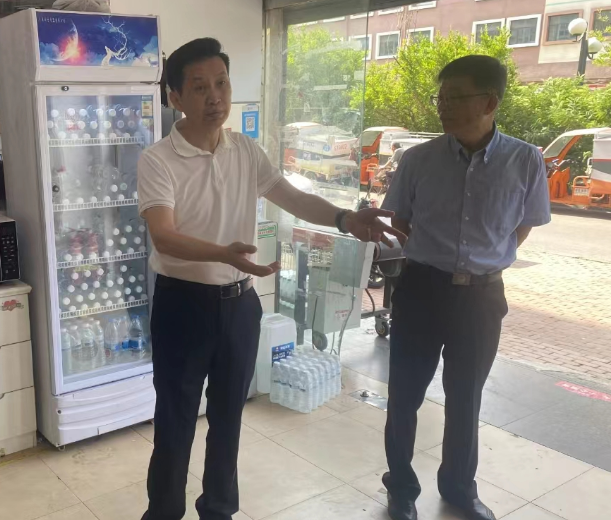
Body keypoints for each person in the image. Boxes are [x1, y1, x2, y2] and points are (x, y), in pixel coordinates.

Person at [137, 38, 405, 520]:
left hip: (240, 305)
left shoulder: (244, 149)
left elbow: (292, 197)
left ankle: (219, 510)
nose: (215, 96)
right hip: (183, 305)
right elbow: (164, 236)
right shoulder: (158, 159)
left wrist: (345, 218)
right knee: (175, 421)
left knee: (228, 419)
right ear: (174, 97)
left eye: (221, 83)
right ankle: (163, 514)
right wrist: (222, 253)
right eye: (199, 87)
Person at [381, 55, 551, 520]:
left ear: (490, 102)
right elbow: (399, 220)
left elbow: (524, 225)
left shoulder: (525, 160)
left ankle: (459, 488)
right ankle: (401, 487)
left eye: (455, 97)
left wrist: (483, 261)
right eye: (441, 97)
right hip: (422, 290)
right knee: (404, 395)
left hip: (481, 298)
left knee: (465, 397)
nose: (443, 106)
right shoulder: (418, 159)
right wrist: (435, 256)